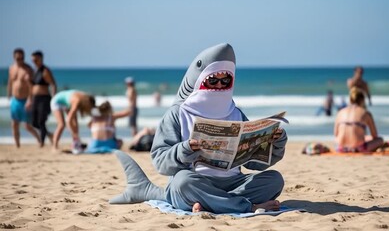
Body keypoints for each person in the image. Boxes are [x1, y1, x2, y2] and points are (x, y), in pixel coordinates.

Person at [110, 43, 288, 214]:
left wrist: (275, 144)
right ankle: (245, 207)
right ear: (200, 79)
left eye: (225, 80)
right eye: (213, 80)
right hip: (196, 181)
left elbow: (253, 163)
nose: (219, 85)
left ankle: (213, 203)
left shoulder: (236, 113)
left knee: (274, 180)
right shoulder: (177, 113)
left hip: (233, 182)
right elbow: (160, 161)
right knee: (183, 182)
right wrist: (183, 150)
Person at [7, 48, 41, 148]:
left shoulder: (28, 69)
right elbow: (10, 82)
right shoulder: (11, 68)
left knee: (27, 126)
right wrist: (9, 94)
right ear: (14, 58)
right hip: (15, 99)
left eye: (22, 58)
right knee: (14, 124)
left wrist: (30, 100)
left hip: (26, 100)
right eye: (18, 58)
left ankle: (39, 140)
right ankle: (17, 145)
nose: (20, 60)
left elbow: (32, 86)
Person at [334, 87, 383, 152]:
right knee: (380, 140)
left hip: (340, 147)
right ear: (362, 100)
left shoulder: (340, 112)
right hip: (357, 148)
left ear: (350, 99)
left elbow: (336, 134)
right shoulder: (366, 113)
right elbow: (374, 135)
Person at [31, 50, 57, 147]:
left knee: (41, 121)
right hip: (35, 98)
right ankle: (50, 134)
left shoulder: (45, 70)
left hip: (44, 98)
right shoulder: (35, 71)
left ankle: (42, 142)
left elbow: (53, 84)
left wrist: (54, 98)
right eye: (32, 60)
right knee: (34, 122)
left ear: (41, 59)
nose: (34, 61)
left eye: (36, 59)